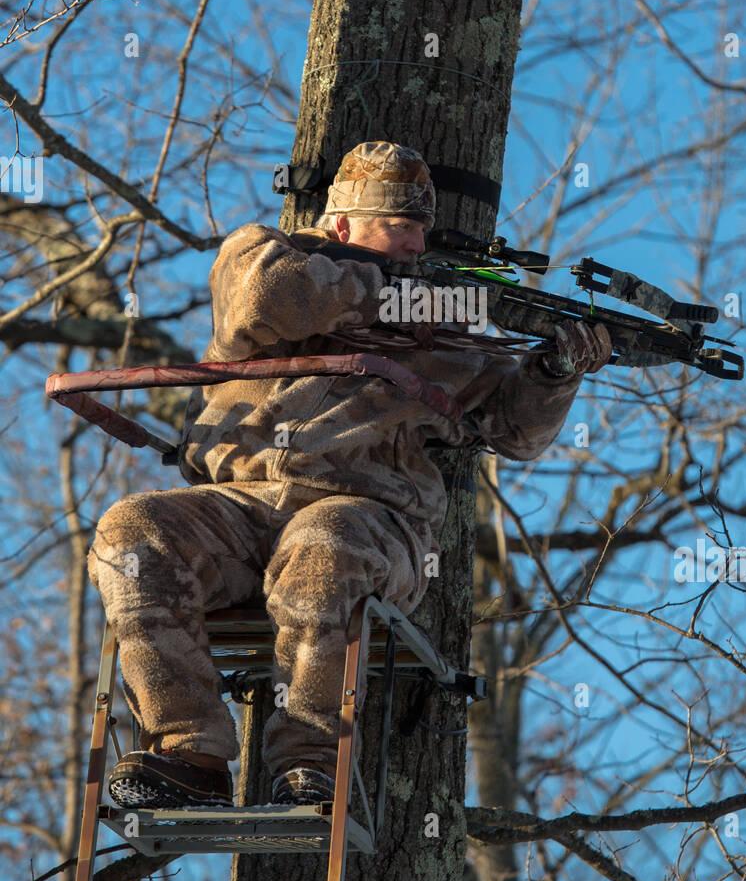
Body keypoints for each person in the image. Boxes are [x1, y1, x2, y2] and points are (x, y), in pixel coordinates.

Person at [87, 141, 612, 810]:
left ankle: (307, 762)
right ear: (341, 226)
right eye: (402, 226)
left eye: (423, 231)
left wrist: (555, 371)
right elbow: (264, 299)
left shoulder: (449, 331)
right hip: (237, 507)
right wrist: (396, 296)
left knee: (324, 540)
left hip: (371, 521)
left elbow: (517, 432)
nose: (417, 245)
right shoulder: (262, 255)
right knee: (132, 530)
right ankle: (186, 750)